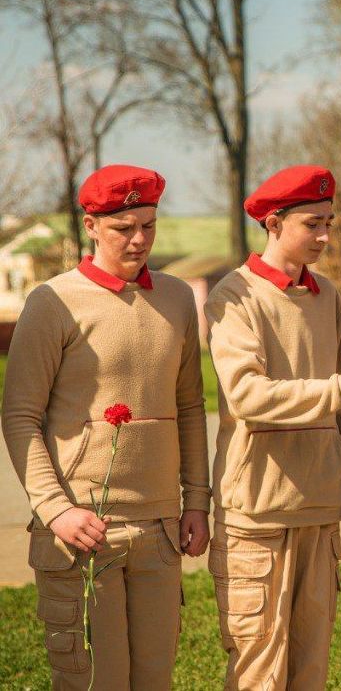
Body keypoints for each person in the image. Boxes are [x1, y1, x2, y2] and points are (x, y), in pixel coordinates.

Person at [1, 165, 209, 690]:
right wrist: (56, 510)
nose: (140, 239)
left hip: (161, 530)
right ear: (91, 225)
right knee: (95, 681)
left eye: (149, 224)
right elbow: (20, 415)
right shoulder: (51, 302)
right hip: (83, 530)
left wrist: (197, 502)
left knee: (154, 680)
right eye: (123, 227)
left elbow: (188, 408)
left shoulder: (179, 299)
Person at [205, 165, 341, 690]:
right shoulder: (233, 296)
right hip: (257, 514)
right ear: (274, 223)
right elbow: (248, 396)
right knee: (259, 674)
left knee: (310, 672)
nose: (325, 236)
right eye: (313, 224)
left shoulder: (328, 296)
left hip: (320, 512)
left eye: (329, 222)